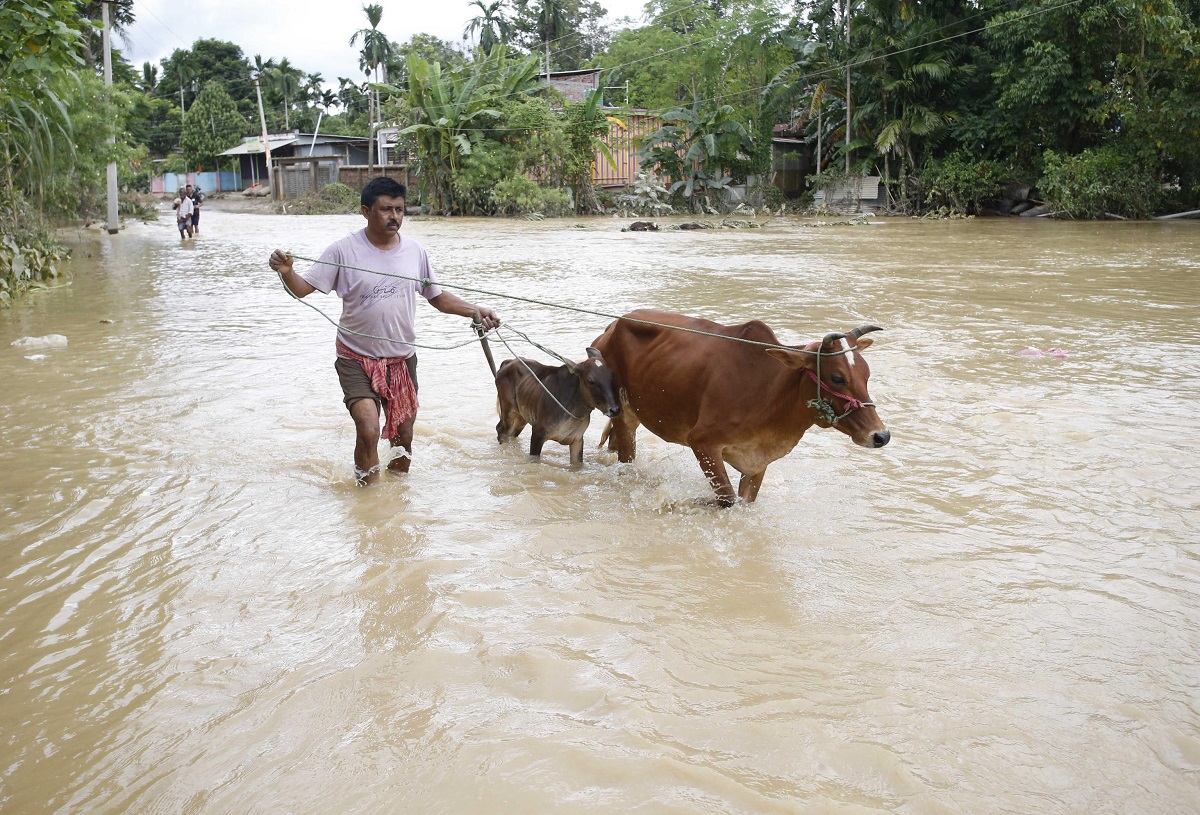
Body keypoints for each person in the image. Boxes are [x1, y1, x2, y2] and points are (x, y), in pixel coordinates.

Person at [268, 176, 501, 486]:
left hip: (401, 359)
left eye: (400, 210)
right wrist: (287, 272)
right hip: (356, 357)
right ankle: (367, 497)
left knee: (404, 436)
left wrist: (474, 310)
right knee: (368, 428)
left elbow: (439, 298)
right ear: (366, 211)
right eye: (386, 209)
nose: (395, 217)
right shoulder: (342, 250)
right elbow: (302, 289)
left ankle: (397, 498)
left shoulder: (415, 252)